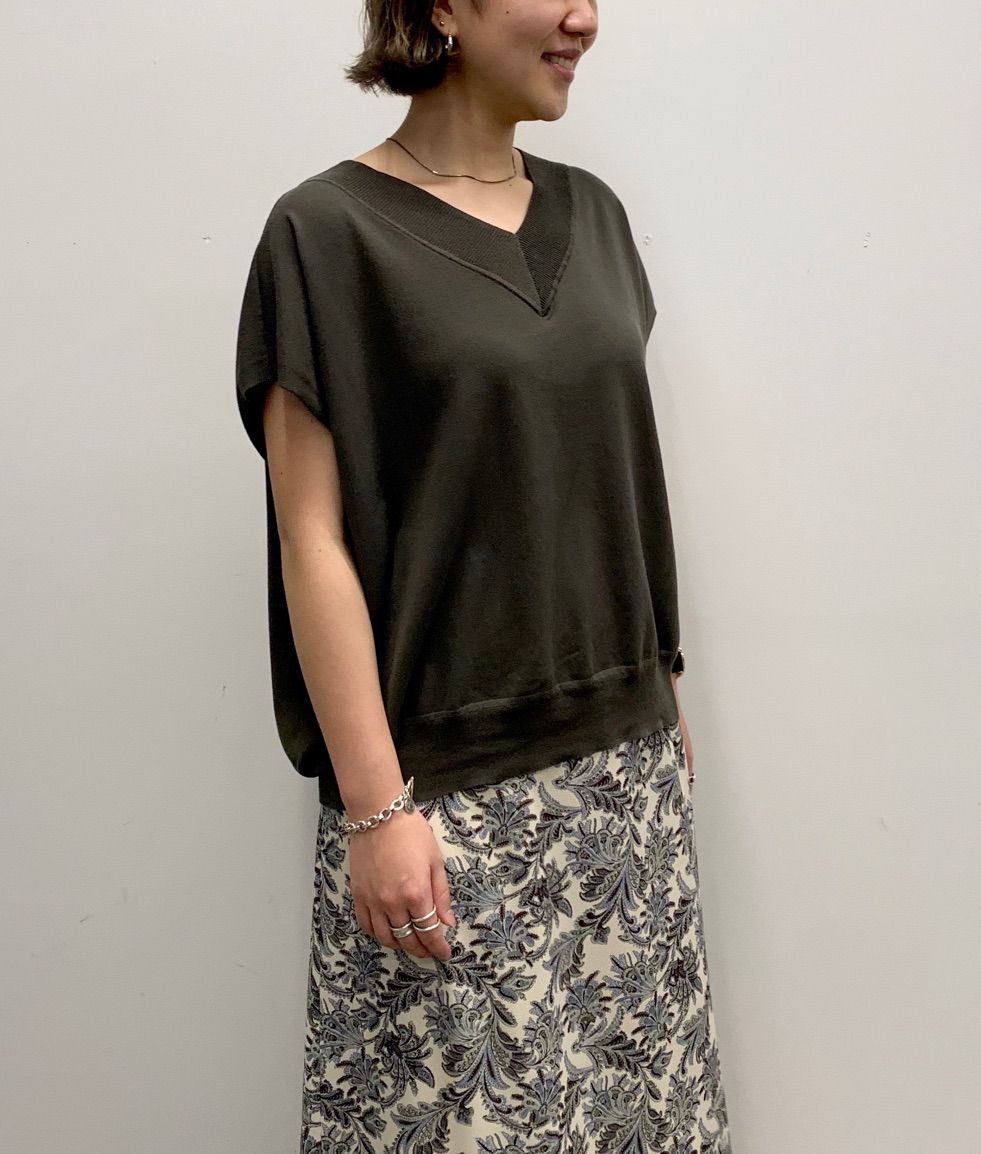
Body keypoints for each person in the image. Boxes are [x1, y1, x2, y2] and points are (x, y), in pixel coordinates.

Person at [233, 2, 733, 1150]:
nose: (584, 16)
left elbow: (601, 468)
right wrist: (376, 807)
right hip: (446, 805)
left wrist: (660, 682)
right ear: (442, 6)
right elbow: (311, 537)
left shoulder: (594, 217)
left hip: (625, 779)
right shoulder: (323, 235)